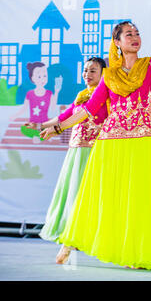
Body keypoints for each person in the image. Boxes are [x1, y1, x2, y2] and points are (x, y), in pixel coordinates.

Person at [40, 3, 151, 270]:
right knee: (101, 195)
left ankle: (137, 251)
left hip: (142, 143)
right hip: (111, 143)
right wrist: (58, 127)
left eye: (137, 33)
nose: (135, 37)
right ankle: (71, 241)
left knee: (142, 197)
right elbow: (89, 109)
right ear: (117, 42)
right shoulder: (110, 76)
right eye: (129, 34)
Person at [27, 57, 107, 264]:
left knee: (95, 198)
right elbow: (64, 116)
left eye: (93, 71)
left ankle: (95, 240)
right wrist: (39, 125)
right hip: (77, 152)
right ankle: (69, 241)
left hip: (96, 152)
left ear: (104, 74)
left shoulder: (108, 96)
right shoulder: (82, 95)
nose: (88, 75)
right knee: (73, 196)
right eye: (86, 70)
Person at [10, 62, 62, 143]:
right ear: (32, 78)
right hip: (32, 125)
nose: (43, 79)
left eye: (45, 76)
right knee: (24, 128)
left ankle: (42, 136)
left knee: (51, 128)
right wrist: (14, 116)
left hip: (44, 124)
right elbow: (24, 108)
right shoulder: (30, 94)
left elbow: (52, 107)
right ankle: (42, 136)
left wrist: (57, 92)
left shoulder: (49, 93)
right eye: (39, 76)